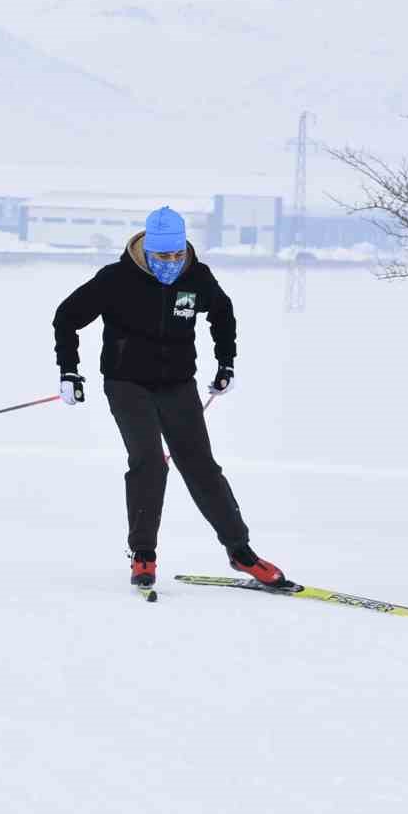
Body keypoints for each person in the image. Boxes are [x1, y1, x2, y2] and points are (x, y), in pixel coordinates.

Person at [52, 205, 288, 591]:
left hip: (178, 383)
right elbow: (66, 316)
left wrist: (225, 362)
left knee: (200, 466)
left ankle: (241, 552)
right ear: (147, 251)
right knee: (149, 463)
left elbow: (223, 313)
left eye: (177, 255)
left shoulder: (196, 277)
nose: (171, 263)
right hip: (127, 383)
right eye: (163, 256)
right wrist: (69, 371)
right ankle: (143, 554)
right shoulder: (115, 280)